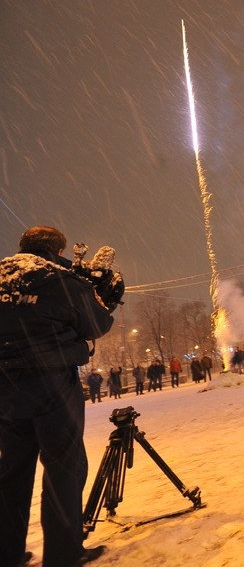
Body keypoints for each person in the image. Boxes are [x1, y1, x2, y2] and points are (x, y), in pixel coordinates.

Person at [0, 225, 117, 566]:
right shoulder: (60, 281)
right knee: (64, 466)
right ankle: (63, 554)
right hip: (51, 384)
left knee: (12, 471)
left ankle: (6, 553)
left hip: (5, 390)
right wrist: (100, 293)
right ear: (55, 250)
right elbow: (96, 325)